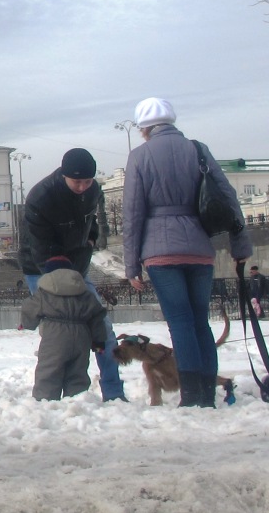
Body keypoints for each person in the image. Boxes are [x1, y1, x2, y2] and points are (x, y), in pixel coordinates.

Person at [122, 97, 251, 407]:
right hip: (199, 248)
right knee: (199, 322)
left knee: (180, 323)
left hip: (160, 251)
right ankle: (206, 393)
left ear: (143, 129)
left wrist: (131, 266)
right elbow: (228, 197)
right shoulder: (198, 149)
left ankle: (191, 396)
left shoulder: (140, 156)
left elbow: (133, 214)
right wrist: (240, 244)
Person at [18, 147, 127, 402]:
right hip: (42, 268)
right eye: (76, 182)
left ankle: (113, 393)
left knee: (102, 329)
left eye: (87, 181)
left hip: (78, 264)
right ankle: (51, 395)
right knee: (59, 333)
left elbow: (95, 222)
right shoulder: (41, 196)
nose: (82, 187)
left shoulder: (93, 190)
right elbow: (41, 245)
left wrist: (90, 240)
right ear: (64, 175)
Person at [21, 257, 109, 401]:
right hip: (81, 336)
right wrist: (99, 341)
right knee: (78, 372)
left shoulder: (44, 293)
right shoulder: (84, 293)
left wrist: (27, 323)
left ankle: (45, 402)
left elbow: (30, 308)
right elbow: (97, 316)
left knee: (49, 371)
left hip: (55, 336)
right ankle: (77, 402)